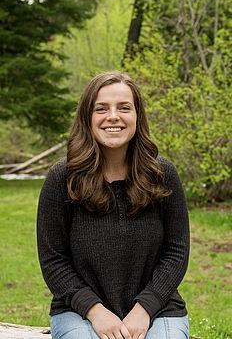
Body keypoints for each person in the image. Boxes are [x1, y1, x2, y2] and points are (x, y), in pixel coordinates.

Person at [37, 71, 190, 339]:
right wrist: (95, 311)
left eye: (124, 108)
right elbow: (53, 260)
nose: (113, 117)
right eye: (101, 109)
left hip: (157, 310)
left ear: (137, 116)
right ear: (88, 117)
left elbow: (176, 253)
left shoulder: (162, 174)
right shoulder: (62, 178)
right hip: (79, 312)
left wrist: (144, 309)